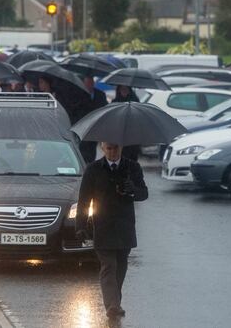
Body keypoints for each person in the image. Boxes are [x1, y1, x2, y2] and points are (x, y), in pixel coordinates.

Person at [76, 142, 148, 320]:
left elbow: (144, 194)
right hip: (102, 226)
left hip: (124, 227)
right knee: (109, 266)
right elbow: (84, 200)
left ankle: (115, 303)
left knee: (120, 267)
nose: (112, 152)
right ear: (102, 147)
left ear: (121, 148)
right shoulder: (93, 169)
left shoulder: (132, 167)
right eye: (109, 148)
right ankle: (113, 306)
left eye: (116, 148)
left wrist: (132, 190)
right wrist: (81, 226)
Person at [78, 75, 108, 163]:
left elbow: (104, 108)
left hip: (95, 126)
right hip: (83, 126)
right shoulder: (80, 94)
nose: (89, 85)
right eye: (87, 83)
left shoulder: (100, 94)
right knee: (83, 147)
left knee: (92, 147)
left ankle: (90, 163)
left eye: (91, 83)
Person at [112, 85, 140, 161]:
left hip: (132, 135)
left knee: (132, 158)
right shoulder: (115, 102)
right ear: (119, 90)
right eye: (122, 89)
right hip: (119, 135)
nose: (124, 91)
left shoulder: (135, 101)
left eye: (126, 89)